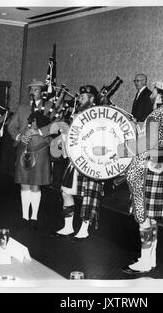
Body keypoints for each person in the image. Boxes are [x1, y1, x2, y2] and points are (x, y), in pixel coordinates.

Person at [119, 81, 163, 274]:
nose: (150, 94)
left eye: (154, 92)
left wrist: (119, 150)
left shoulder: (156, 115)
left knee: (143, 216)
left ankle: (144, 262)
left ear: (159, 95)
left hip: (148, 169)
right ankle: (150, 258)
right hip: (162, 169)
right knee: (152, 218)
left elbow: (147, 142)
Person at [52, 85, 105, 241]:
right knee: (66, 191)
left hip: (91, 160)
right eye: (80, 97)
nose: (79, 99)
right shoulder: (76, 114)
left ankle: (84, 229)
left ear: (92, 98)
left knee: (89, 196)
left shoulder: (99, 115)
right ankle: (68, 226)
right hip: (74, 160)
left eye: (83, 97)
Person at [7, 79, 54, 230]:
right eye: (31, 90)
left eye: (35, 89)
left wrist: (39, 132)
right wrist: (20, 137)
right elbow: (11, 127)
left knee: (36, 184)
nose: (32, 92)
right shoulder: (22, 108)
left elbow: (56, 126)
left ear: (42, 91)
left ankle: (34, 216)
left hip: (40, 150)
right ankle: (24, 215)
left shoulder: (49, 108)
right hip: (24, 150)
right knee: (24, 183)